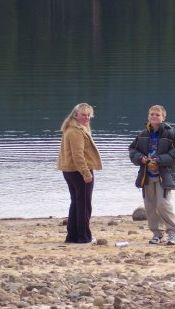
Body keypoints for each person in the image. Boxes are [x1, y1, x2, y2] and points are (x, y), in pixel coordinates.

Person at [129, 105, 175, 245]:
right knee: (150, 206)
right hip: (146, 176)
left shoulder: (170, 134)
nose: (154, 116)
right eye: (152, 114)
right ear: (148, 116)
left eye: (157, 115)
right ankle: (156, 234)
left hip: (164, 175)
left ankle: (172, 233)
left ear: (163, 117)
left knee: (163, 204)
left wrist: (159, 160)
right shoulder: (142, 134)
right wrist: (139, 158)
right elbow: (132, 150)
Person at [57, 103, 102, 243]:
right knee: (84, 205)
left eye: (89, 115)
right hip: (78, 171)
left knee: (76, 203)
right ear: (75, 115)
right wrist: (86, 173)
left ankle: (72, 236)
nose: (87, 117)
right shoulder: (76, 131)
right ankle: (83, 237)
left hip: (70, 170)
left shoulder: (71, 128)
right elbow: (78, 155)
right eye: (84, 114)